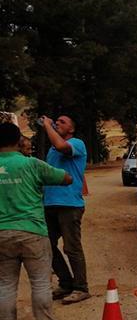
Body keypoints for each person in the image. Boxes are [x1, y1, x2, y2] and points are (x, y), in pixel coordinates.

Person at [0, 122, 73, 320]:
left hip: (2, 234)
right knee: (40, 282)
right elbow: (66, 178)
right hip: (32, 231)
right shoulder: (31, 164)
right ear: (17, 140)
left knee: (5, 285)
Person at [41, 115, 91, 304]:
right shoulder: (52, 150)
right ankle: (66, 283)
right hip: (50, 204)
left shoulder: (77, 143)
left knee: (72, 247)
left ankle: (81, 287)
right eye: (56, 121)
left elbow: (62, 147)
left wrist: (47, 126)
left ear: (71, 129)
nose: (57, 123)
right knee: (47, 246)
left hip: (70, 204)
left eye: (62, 122)